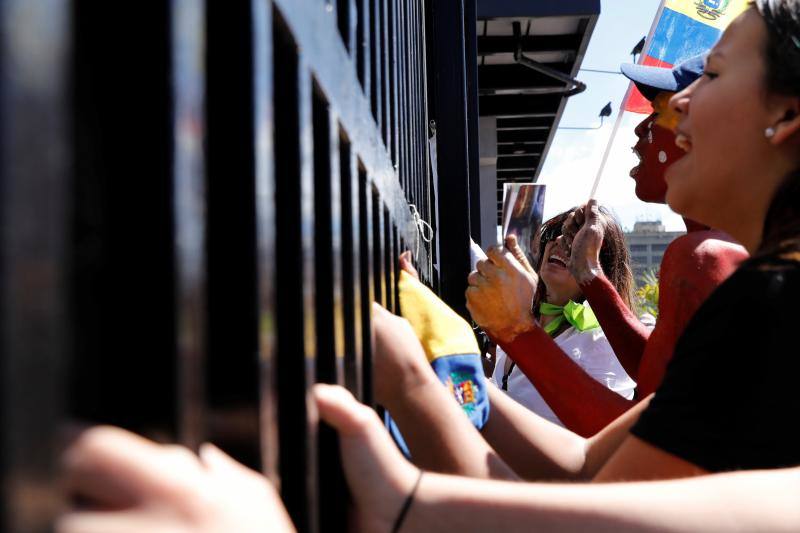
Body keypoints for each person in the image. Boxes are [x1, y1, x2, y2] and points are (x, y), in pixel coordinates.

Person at [58, 1, 800, 530]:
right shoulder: (760, 295)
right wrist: (427, 368)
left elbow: (594, 481)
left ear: (787, 116)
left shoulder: (744, 286)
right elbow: (583, 470)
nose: (674, 110)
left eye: (712, 76)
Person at [468, 55, 748, 437]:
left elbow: (640, 442)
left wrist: (515, 330)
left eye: (662, 112)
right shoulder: (718, 248)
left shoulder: (705, 257)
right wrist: (590, 275)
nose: (641, 130)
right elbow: (657, 374)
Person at [485, 210, 636, 432]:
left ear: (602, 265)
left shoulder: (604, 341)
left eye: (576, 239)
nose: (558, 241)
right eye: (557, 233)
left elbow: (601, 433)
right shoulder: (521, 317)